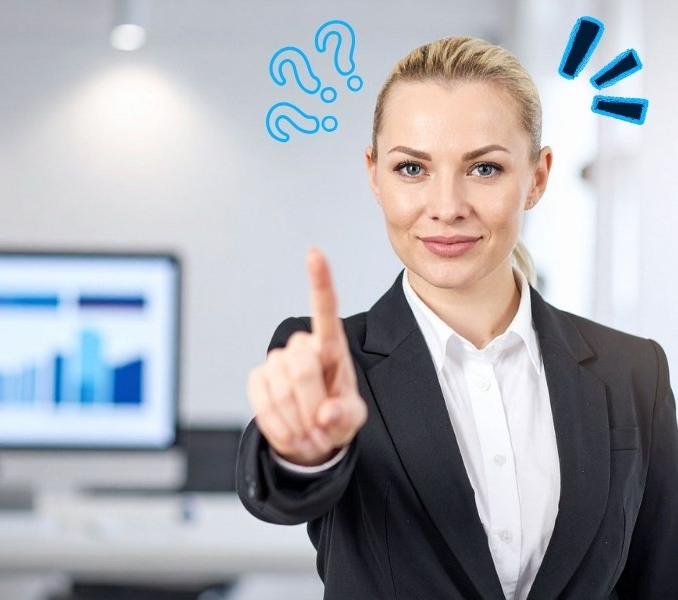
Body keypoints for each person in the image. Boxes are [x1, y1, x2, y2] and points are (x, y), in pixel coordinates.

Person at [236, 36, 678, 600]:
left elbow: (660, 577)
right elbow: (278, 493)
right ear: (375, 175)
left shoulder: (633, 370)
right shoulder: (330, 360)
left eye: (485, 168)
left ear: (537, 177)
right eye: (412, 168)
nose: (446, 206)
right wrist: (303, 453)